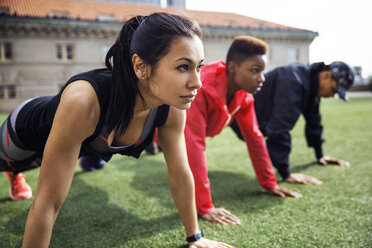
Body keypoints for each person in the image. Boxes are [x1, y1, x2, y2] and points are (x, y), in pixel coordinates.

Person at [0, 13, 232, 248]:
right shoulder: (83, 101)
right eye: (183, 67)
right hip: (22, 134)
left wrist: (196, 238)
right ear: (141, 66)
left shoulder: (171, 109)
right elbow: (46, 204)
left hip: (71, 144)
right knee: (14, 164)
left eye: (199, 67)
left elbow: (180, 173)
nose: (197, 82)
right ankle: (13, 172)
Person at [184, 36, 302, 226]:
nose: (262, 78)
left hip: (185, 133)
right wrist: (205, 206)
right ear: (232, 68)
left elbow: (255, 138)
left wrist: (269, 183)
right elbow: (194, 145)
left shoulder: (244, 95)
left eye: (262, 71)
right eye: (255, 70)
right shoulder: (200, 88)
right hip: (157, 128)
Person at [230, 61, 354, 185]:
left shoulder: (311, 84)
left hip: (256, 119)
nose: (332, 95)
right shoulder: (294, 80)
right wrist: (286, 174)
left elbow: (314, 121)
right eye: (333, 89)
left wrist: (320, 155)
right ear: (326, 75)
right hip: (235, 111)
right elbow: (279, 128)